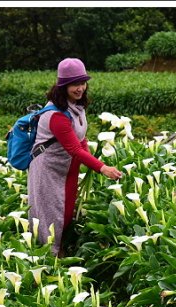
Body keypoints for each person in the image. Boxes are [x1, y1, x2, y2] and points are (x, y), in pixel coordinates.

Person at [27, 57, 123, 257]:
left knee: (67, 211)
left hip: (67, 169)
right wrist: (101, 167)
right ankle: (49, 258)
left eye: (82, 83)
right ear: (63, 86)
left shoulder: (77, 107)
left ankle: (61, 251)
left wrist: (91, 162)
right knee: (52, 214)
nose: (80, 88)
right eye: (74, 84)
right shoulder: (57, 115)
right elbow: (74, 149)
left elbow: (82, 141)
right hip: (49, 171)